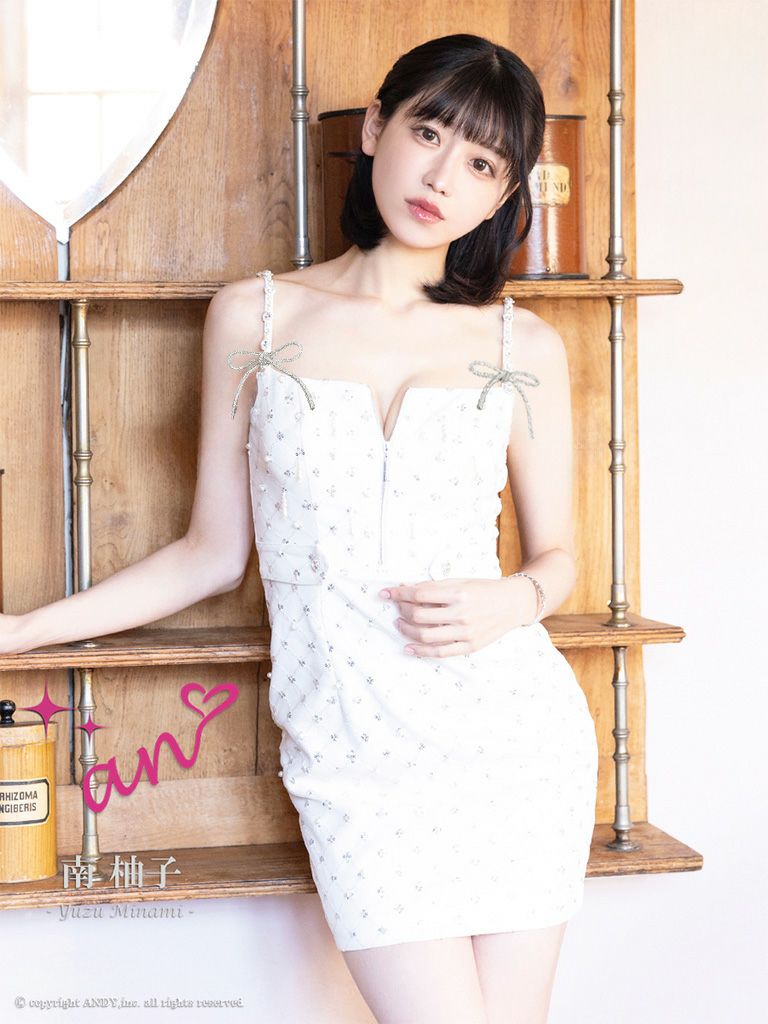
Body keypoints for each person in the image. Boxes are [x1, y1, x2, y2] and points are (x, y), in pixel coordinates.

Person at [0, 32, 598, 1024]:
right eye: (429, 133)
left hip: (514, 741)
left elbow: (559, 559)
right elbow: (211, 554)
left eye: (482, 164)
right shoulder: (257, 317)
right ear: (376, 128)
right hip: (352, 748)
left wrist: (513, 600)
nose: (442, 177)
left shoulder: (519, 343)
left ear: (503, 196)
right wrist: (22, 631)